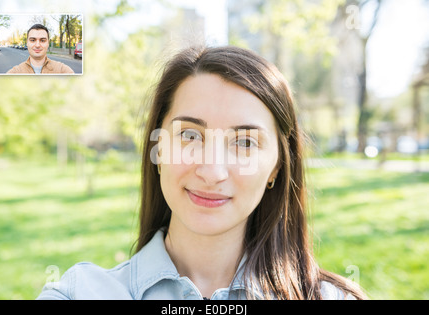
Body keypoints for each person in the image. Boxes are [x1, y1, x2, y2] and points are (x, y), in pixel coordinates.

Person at [37, 45, 367, 300]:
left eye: (245, 142)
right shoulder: (80, 293)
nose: (212, 171)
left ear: (276, 167)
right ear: (159, 148)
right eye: (190, 136)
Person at [6, 24, 74, 74]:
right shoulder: (15, 72)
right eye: (32, 40)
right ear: (27, 43)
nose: (37, 45)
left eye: (42, 40)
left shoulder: (62, 70)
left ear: (48, 43)